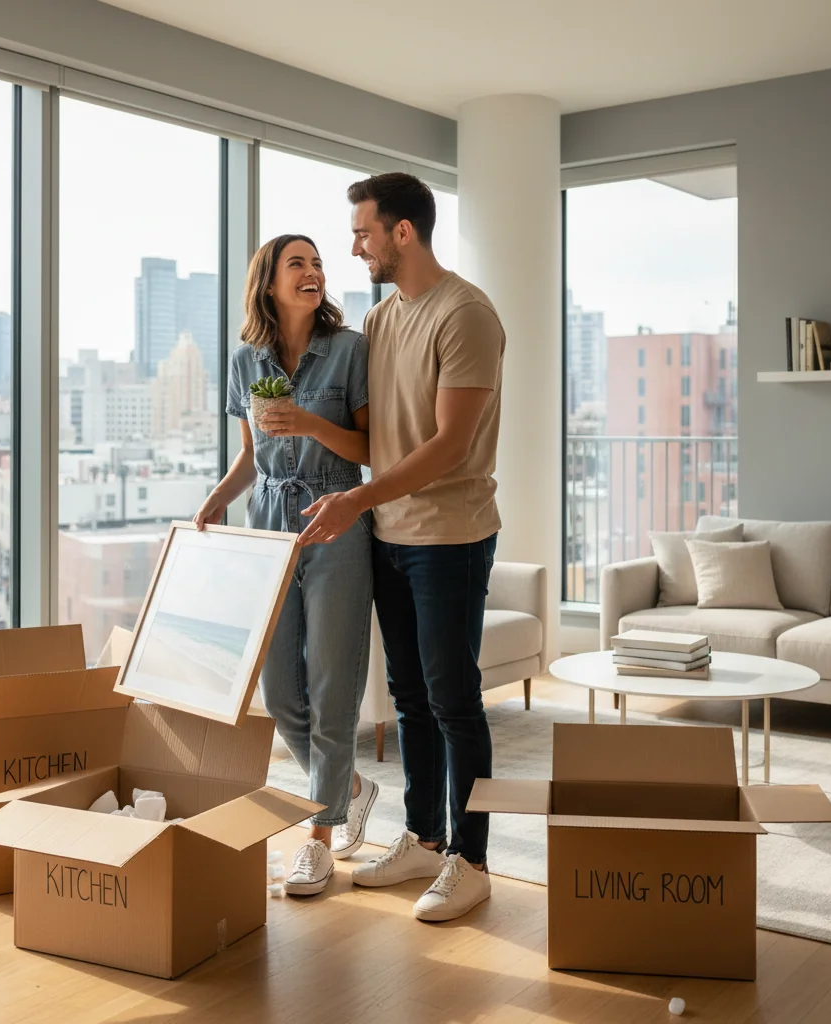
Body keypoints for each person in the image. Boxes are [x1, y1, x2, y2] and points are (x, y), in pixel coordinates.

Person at [299, 173, 505, 922]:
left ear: (402, 232)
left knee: (455, 699)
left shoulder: (466, 315)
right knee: (412, 699)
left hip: (450, 537)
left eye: (363, 233)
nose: (355, 248)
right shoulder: (382, 320)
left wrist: (356, 497)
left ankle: (473, 858)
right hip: (388, 533)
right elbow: (376, 436)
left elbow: (449, 446)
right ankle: (422, 837)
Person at [194, 233, 378, 896]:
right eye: (298, 263)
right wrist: (216, 500)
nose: (314, 272)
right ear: (268, 281)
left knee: (332, 688)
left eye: (318, 263)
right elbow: (250, 456)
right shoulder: (245, 362)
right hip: (267, 526)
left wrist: (307, 423)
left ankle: (319, 838)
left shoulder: (351, 350)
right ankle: (349, 788)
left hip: (336, 525)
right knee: (278, 692)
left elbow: (367, 445)